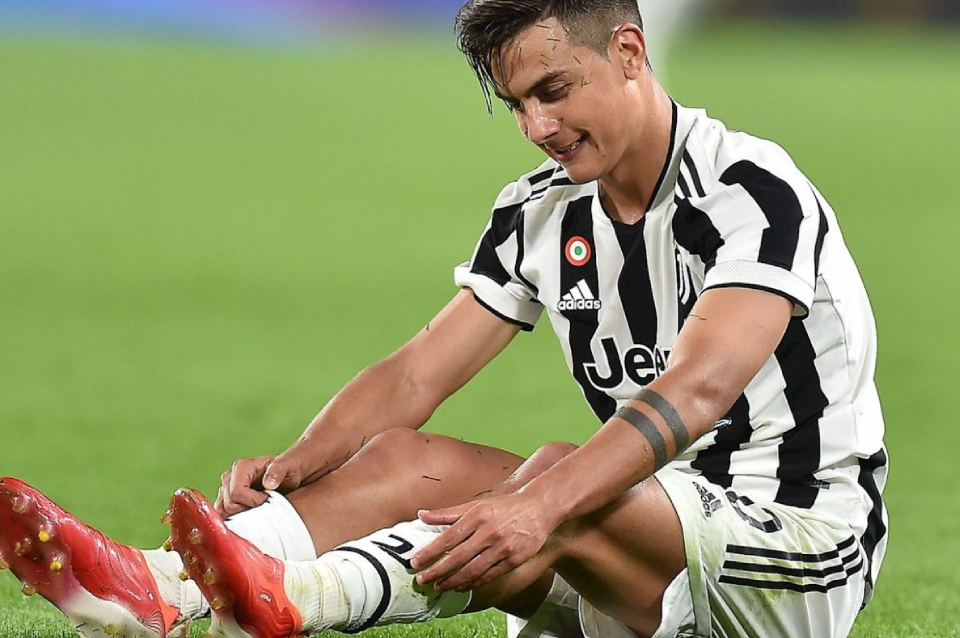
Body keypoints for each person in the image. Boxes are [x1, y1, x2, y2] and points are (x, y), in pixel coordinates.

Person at [0, 1, 889, 637]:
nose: (536, 125)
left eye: (553, 90)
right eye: (517, 104)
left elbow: (698, 389)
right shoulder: (542, 210)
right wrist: (296, 464)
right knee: (404, 460)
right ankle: (154, 588)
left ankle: (296, 598)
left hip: (797, 553)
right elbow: (417, 372)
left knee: (556, 477)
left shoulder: (749, 191)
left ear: (628, 51)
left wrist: (537, 508)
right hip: (634, 545)